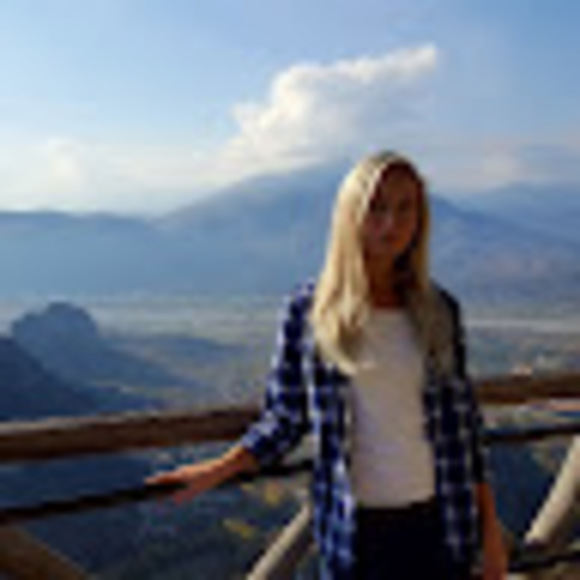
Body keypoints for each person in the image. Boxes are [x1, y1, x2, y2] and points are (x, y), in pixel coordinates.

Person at [146, 151, 508, 579]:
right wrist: (220, 468)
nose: (391, 223)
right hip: (357, 534)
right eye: (376, 208)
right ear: (350, 215)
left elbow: (465, 433)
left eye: (405, 208)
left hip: (443, 526)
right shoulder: (310, 310)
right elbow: (286, 417)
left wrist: (490, 533)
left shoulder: (439, 310)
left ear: (420, 219)